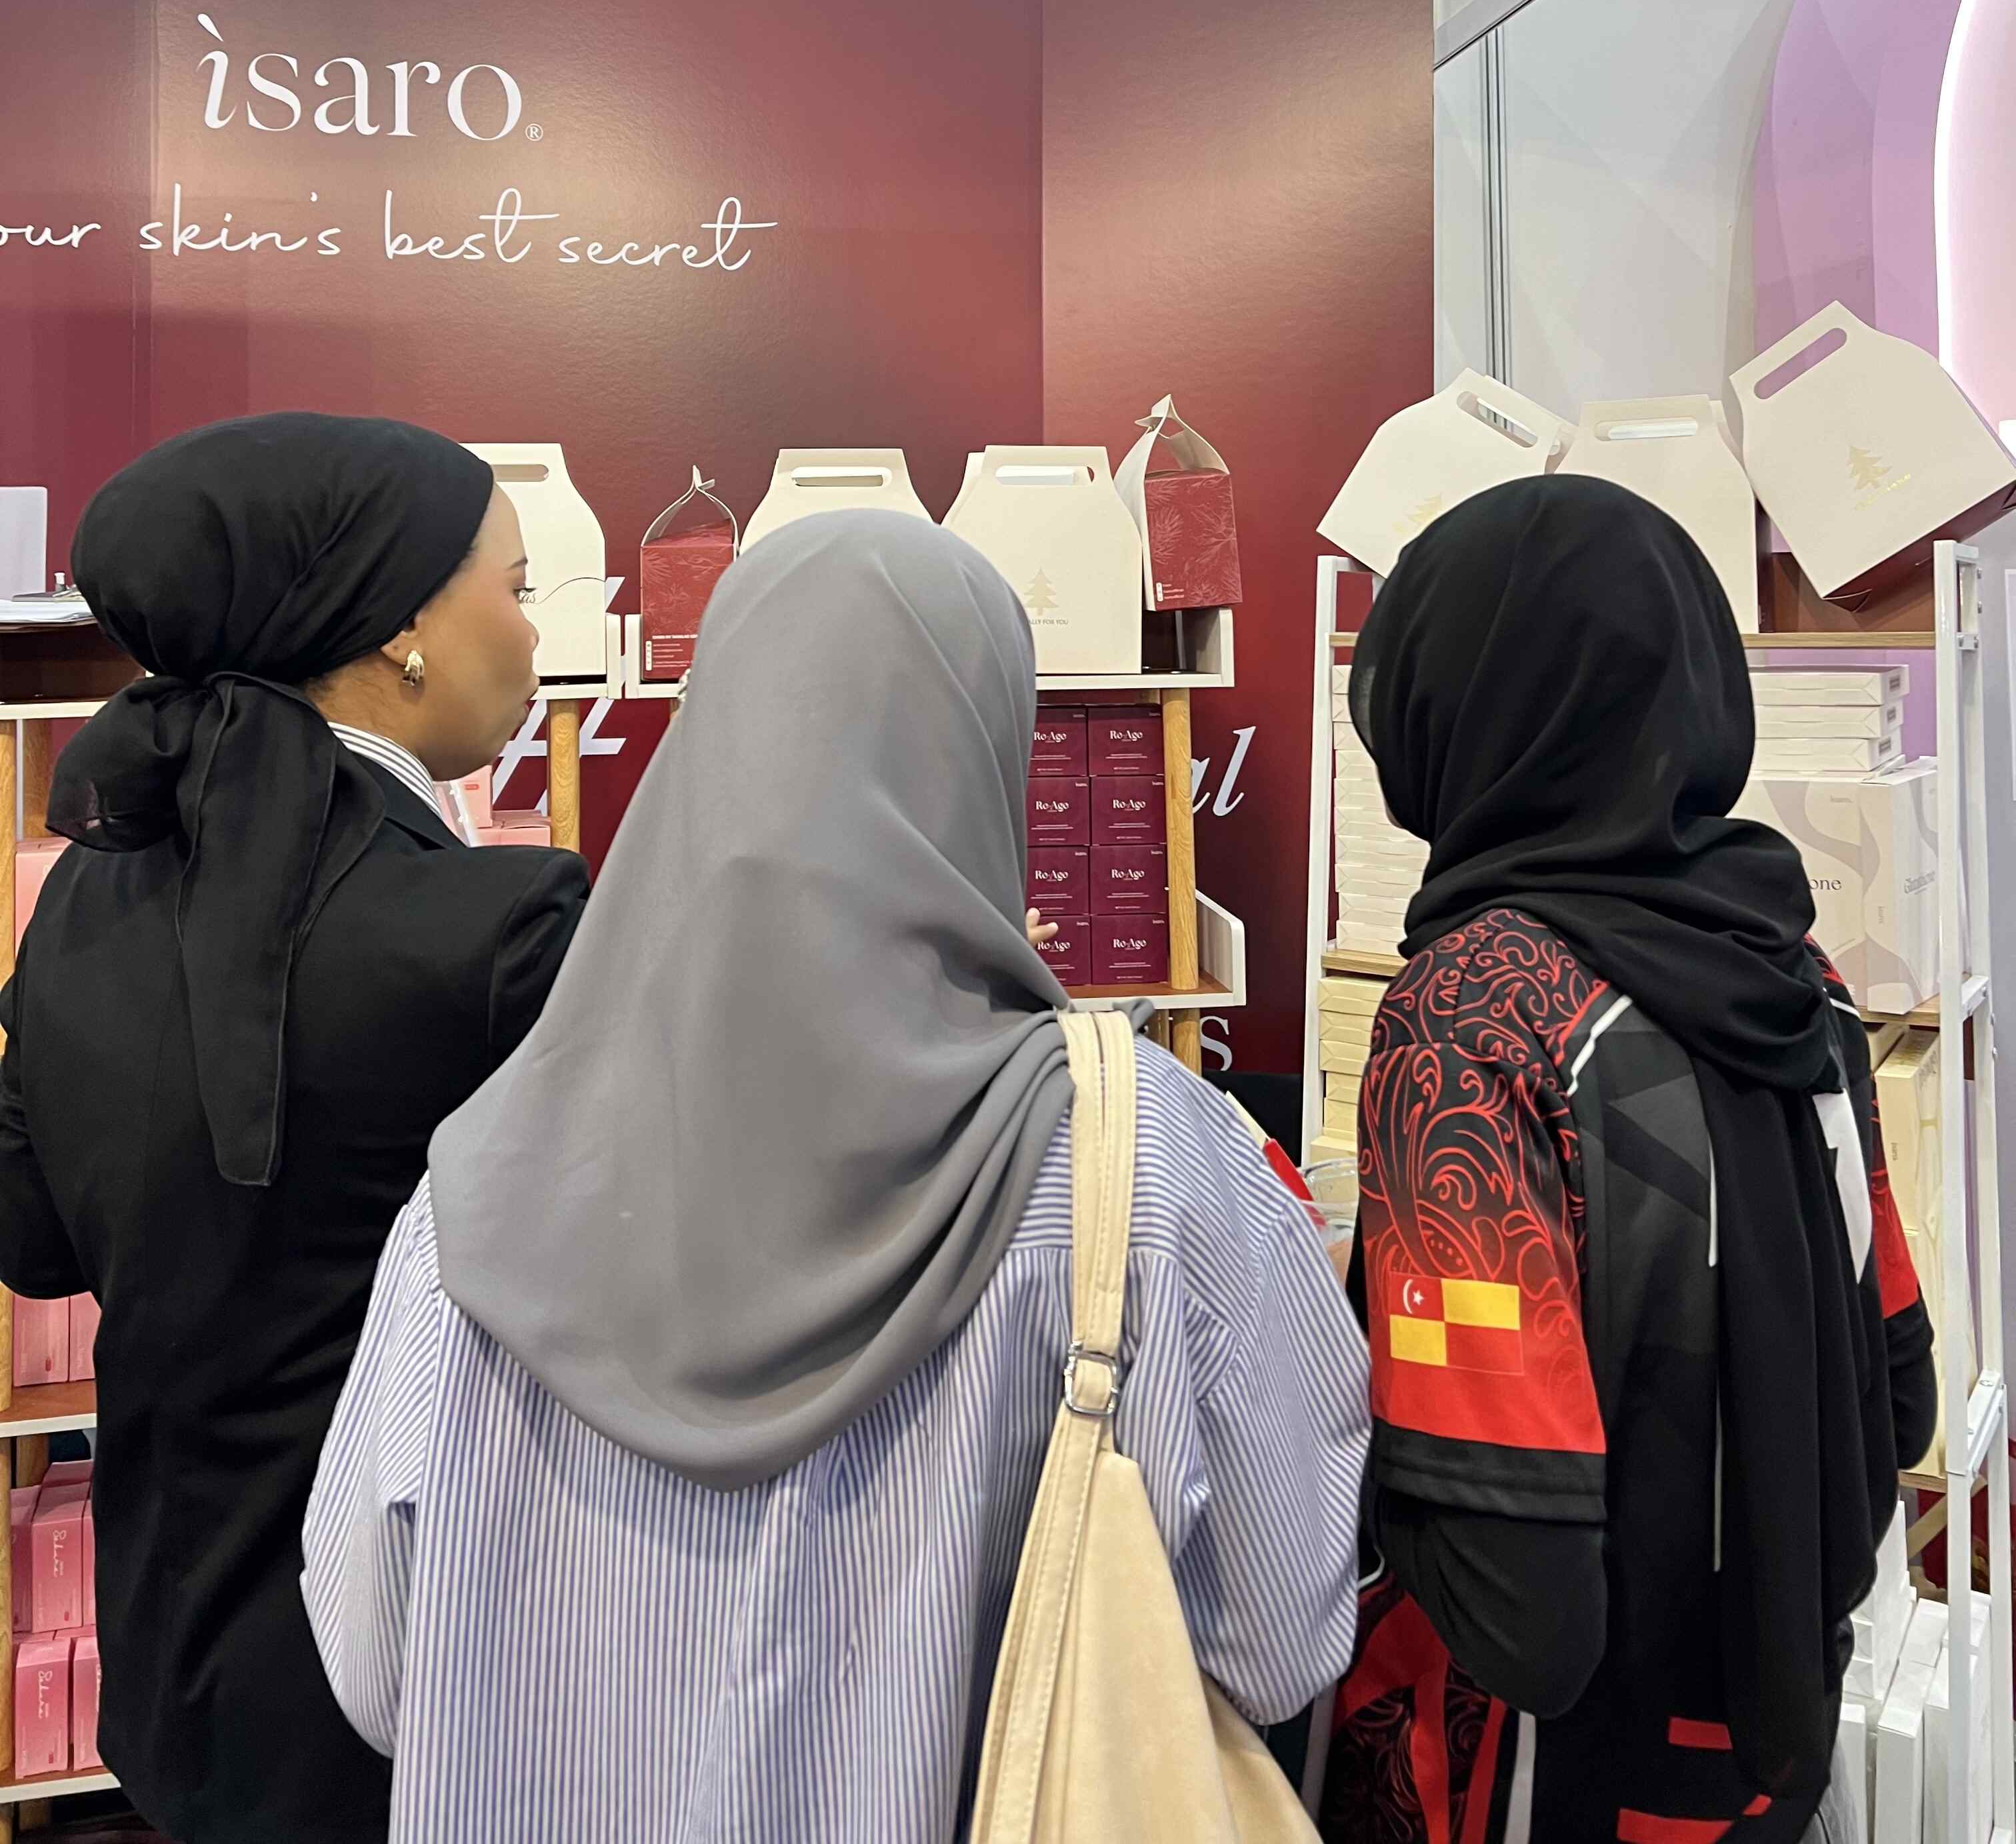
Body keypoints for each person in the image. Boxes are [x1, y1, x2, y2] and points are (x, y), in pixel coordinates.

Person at [305, 511, 1370, 1844]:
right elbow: (1279, 1636)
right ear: (987, 753)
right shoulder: (1145, 1169)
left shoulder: (481, 1194)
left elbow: (375, 1670)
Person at [0, 414, 589, 1844]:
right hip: (419, 1679)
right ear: (399, 631)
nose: (533, 633)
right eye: (517, 588)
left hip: (170, 1660)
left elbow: (32, 1241)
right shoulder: (505, 925)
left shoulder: (79, 892)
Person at [1325, 476, 1937, 1844]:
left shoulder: (1469, 1025)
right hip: (1764, 1754)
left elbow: (1519, 1615)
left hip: (1546, 1784)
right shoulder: (1795, 972)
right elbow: (1900, 1396)